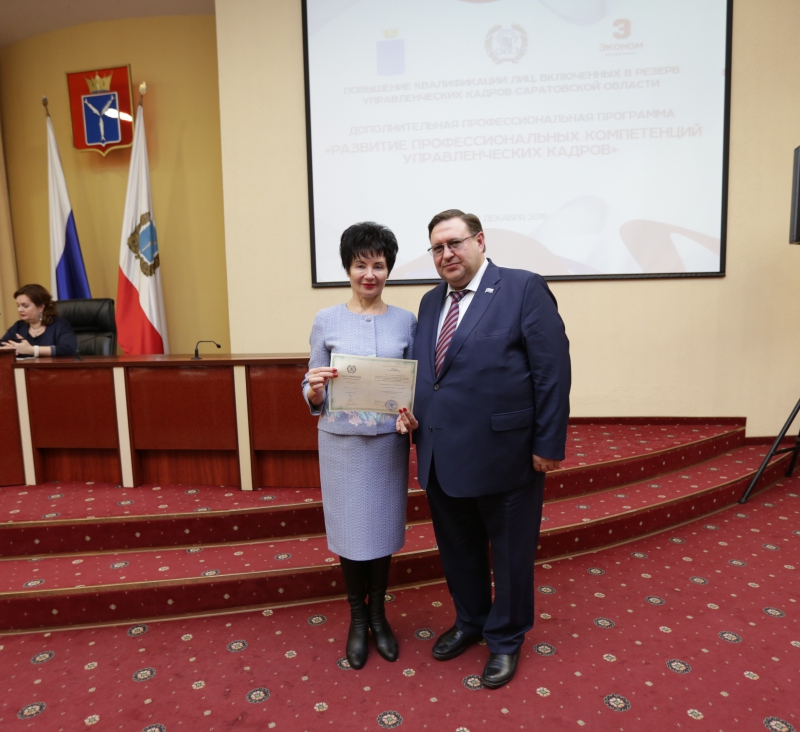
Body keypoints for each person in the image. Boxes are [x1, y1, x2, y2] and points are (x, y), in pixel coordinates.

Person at [396, 209, 571, 689]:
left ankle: (506, 638)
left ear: (479, 241)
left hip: (506, 454)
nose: (446, 254)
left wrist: (548, 442)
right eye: (437, 247)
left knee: (511, 555)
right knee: (458, 549)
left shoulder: (523, 288)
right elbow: (430, 375)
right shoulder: (430, 301)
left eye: (454, 242)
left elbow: (552, 372)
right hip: (441, 454)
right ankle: (470, 620)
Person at [302, 222, 416, 670]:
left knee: (381, 530)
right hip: (342, 447)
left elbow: (413, 383)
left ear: (389, 269)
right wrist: (313, 390)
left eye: (379, 265)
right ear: (347, 269)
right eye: (360, 265)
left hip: (387, 445)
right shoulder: (326, 319)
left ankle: (379, 615)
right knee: (350, 533)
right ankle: (356, 619)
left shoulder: (406, 321)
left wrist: (410, 414)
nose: (370, 274)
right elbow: (312, 383)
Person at [1, 284, 77, 358]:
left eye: (25, 306)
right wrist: (8, 350)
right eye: (18, 305)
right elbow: (1, 344)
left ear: (41, 307)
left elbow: (69, 349)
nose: (20, 309)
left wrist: (31, 350)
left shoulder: (60, 325)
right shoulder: (19, 326)